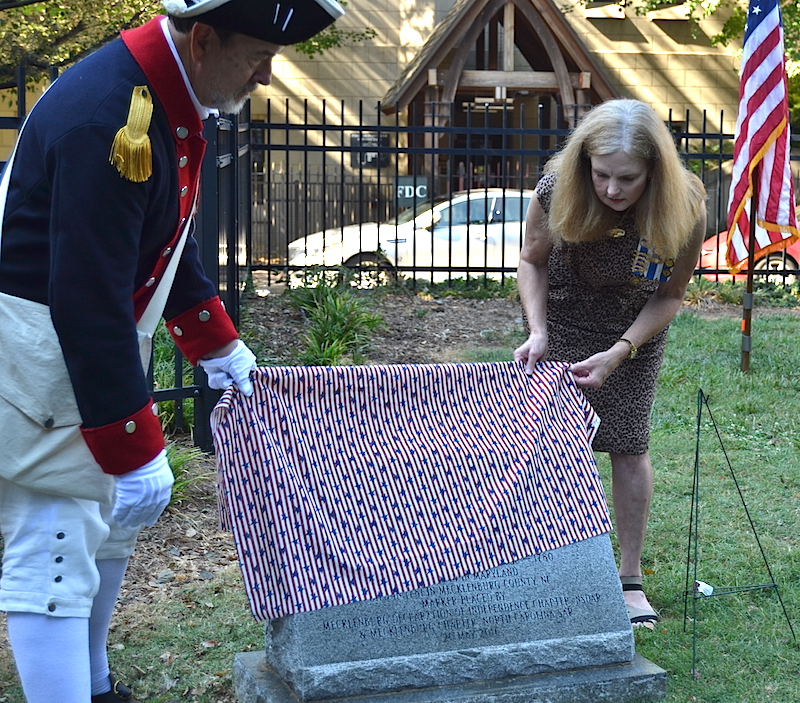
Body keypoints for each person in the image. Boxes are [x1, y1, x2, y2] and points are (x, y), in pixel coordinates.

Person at [0, 0, 344, 701]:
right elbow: (88, 293)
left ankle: (93, 686)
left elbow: (162, 236)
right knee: (57, 546)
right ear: (205, 38)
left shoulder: (160, 93)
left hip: (78, 347)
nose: (268, 75)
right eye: (257, 56)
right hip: (43, 355)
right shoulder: (110, 116)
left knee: (103, 535)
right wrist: (134, 444)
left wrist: (219, 345)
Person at [514, 98, 707, 628]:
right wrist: (538, 332)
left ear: (655, 171)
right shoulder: (557, 187)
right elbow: (531, 261)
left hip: (632, 327)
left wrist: (622, 350)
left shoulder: (684, 204)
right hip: (560, 318)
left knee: (627, 442)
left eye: (628, 178)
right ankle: (546, 568)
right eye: (602, 175)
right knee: (542, 448)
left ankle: (628, 579)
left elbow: (670, 295)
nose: (613, 190)